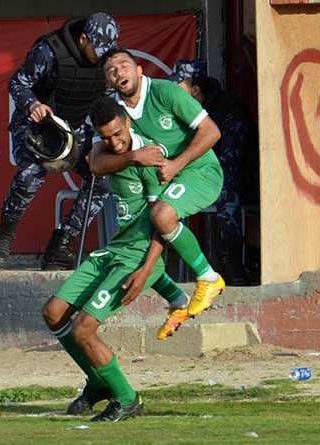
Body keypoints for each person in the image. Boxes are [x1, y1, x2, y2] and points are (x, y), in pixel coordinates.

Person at [41, 96, 181, 421]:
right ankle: (98, 383)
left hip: (136, 256)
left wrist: (146, 271)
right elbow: (94, 162)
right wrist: (126, 154)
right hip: (114, 249)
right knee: (53, 313)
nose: (115, 142)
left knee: (83, 330)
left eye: (119, 134)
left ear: (128, 123)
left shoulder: (153, 157)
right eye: (107, 137)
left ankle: (128, 398)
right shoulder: (112, 151)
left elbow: (165, 221)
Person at [90, 49, 226, 333]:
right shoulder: (114, 111)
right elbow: (95, 163)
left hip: (199, 172)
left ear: (139, 70)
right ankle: (178, 300)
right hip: (159, 184)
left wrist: (176, 164)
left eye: (124, 66)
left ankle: (208, 277)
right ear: (108, 80)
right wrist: (133, 157)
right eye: (111, 70)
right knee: (136, 241)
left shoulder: (165, 92)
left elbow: (212, 132)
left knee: (162, 216)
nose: (119, 72)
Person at [0, 13, 117, 270]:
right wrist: (33, 104)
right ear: (83, 39)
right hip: (38, 124)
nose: (101, 57)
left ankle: (62, 243)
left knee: (103, 178)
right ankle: (5, 232)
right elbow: (17, 83)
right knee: (32, 173)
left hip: (76, 127)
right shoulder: (48, 52)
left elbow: (109, 99)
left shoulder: (109, 62)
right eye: (97, 50)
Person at [169, 60, 258, 285]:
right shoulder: (186, 112)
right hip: (204, 176)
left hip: (243, 181)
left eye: (178, 88)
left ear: (195, 90)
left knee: (226, 184)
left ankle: (233, 260)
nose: (172, 94)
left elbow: (230, 163)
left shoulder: (229, 112)